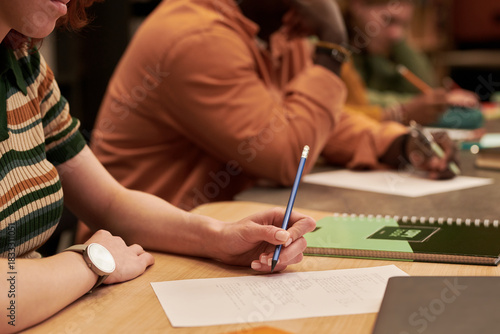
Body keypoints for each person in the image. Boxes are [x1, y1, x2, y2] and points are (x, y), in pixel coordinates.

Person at [0, 0, 317, 332]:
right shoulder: (198, 35)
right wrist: (91, 261)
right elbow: (283, 151)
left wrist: (219, 237)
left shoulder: (24, 59)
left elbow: (110, 203)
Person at [89, 0, 457, 214]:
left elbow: (315, 119)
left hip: (226, 230)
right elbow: (286, 156)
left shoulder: (277, 28)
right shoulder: (198, 37)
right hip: (145, 253)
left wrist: (397, 143)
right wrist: (332, 48)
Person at [338, 0, 482, 128]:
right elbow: (355, 100)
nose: (396, 34)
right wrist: (411, 107)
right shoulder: (336, 46)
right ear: (357, 5)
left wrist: (400, 43)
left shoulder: (384, 50)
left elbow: (425, 84)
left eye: (404, 25)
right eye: (388, 20)